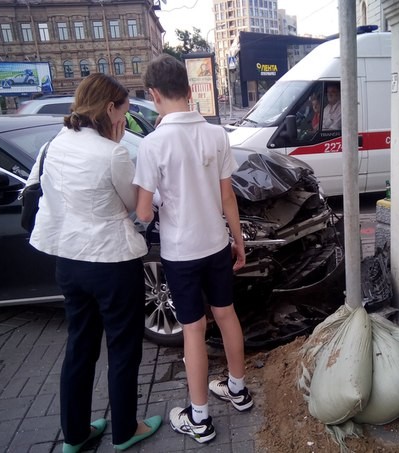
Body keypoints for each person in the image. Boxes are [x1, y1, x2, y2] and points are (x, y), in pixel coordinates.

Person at [26, 73, 161, 453]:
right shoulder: (111, 152)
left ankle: (75, 434)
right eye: (124, 109)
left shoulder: (54, 144)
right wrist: (117, 145)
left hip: (68, 261)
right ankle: (124, 431)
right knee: (123, 347)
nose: (125, 117)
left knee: (79, 346)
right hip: (111, 261)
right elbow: (135, 206)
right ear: (109, 108)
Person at [134, 54, 252, 444]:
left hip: (181, 252)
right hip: (217, 243)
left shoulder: (152, 145)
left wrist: (161, 203)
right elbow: (228, 198)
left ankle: (199, 417)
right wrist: (239, 241)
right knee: (226, 314)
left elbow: (143, 210)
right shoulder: (216, 135)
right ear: (189, 90)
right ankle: (238, 389)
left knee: (193, 329)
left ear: (153, 95)